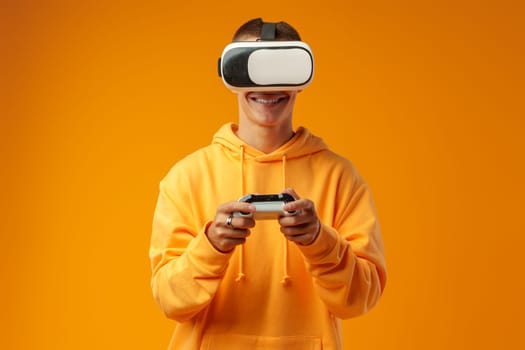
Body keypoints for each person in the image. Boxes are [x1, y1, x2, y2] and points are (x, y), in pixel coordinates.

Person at [149, 17, 387, 350]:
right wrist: (211, 245)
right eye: (251, 69)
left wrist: (320, 241)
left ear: (301, 79)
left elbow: (360, 299)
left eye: (282, 68)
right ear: (229, 76)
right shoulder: (187, 178)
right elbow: (170, 300)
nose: (267, 87)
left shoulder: (341, 178)